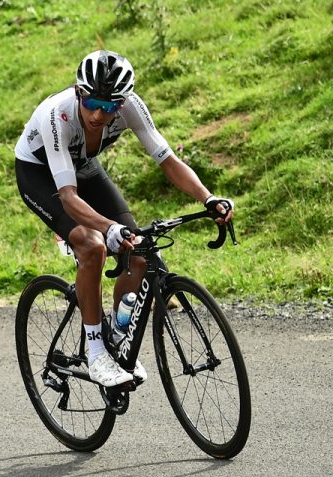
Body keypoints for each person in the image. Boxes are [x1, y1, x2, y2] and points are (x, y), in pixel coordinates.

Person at [14, 50, 233, 387]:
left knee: (140, 251)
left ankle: (117, 337)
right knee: (92, 246)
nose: (99, 114)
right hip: (40, 174)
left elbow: (168, 160)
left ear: (122, 102)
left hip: (83, 165)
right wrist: (108, 227)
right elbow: (68, 197)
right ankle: (96, 353)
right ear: (79, 92)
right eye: (92, 103)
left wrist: (208, 197)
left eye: (110, 106)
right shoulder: (58, 114)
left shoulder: (129, 106)